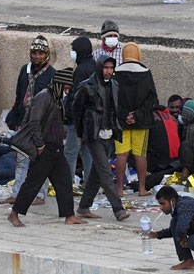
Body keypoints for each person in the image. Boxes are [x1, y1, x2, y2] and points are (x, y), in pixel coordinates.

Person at [8, 67, 86, 227]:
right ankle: (14, 213)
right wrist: (40, 146)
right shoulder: (44, 97)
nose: (67, 91)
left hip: (56, 149)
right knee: (32, 183)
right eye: (66, 87)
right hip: (45, 149)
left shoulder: (56, 99)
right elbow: (34, 122)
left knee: (64, 182)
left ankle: (69, 215)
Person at [72, 56, 130, 221]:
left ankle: (83, 207)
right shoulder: (87, 86)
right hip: (93, 134)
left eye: (111, 68)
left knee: (97, 173)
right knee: (105, 172)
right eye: (106, 68)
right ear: (99, 68)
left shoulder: (114, 85)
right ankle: (118, 209)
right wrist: (80, 133)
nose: (109, 71)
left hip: (109, 133)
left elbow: (116, 109)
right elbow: (76, 110)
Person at [0, 35, 56, 206]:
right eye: (35, 53)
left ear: (46, 55)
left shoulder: (52, 74)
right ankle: (17, 194)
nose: (37, 56)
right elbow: (19, 96)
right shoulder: (25, 70)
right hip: (24, 122)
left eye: (40, 53)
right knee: (22, 158)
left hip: (42, 124)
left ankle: (40, 195)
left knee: (41, 159)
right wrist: (15, 118)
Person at [113, 42, 157, 197]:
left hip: (121, 122)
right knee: (140, 154)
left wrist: (125, 115)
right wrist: (136, 115)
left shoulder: (115, 73)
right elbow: (151, 99)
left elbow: (113, 99)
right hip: (141, 122)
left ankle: (119, 189)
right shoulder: (145, 73)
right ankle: (142, 188)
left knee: (121, 155)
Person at [65, 35, 96, 185]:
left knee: (70, 153)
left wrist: (71, 117)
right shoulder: (94, 65)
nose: (72, 52)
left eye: (74, 50)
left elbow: (77, 97)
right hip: (91, 119)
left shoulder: (81, 70)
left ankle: (67, 183)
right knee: (87, 153)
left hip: (78, 120)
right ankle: (89, 184)